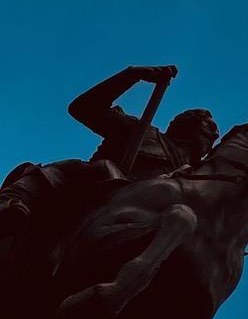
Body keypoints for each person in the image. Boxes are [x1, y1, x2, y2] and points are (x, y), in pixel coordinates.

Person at [0, 65, 219, 238]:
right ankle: (10, 202)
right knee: (86, 169)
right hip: (90, 196)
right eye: (210, 126)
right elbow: (83, 108)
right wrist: (131, 75)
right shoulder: (142, 132)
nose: (215, 134)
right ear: (189, 125)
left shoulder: (192, 176)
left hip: (132, 226)